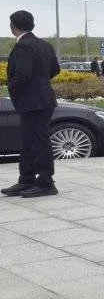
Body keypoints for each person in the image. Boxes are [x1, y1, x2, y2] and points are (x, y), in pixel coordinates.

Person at [2, 10, 60, 198]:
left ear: (13, 27)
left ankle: (46, 182)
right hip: (42, 100)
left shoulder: (23, 47)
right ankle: (26, 180)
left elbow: (22, 75)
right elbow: (55, 69)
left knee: (39, 142)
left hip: (33, 101)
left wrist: (11, 87)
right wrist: (40, 83)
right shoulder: (45, 45)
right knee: (28, 141)